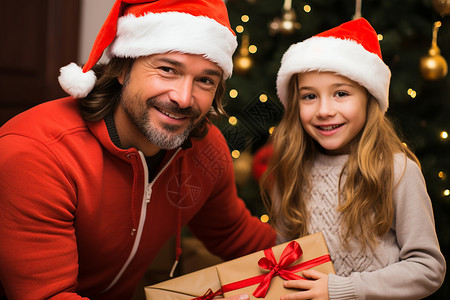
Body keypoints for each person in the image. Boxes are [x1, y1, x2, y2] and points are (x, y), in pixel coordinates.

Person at [0, 1, 276, 299]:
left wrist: (323, 265)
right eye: (168, 69)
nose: (184, 98)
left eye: (205, 80)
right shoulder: (36, 153)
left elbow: (234, 233)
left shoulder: (204, 148)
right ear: (122, 68)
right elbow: (48, 296)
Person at [260, 18, 446, 299]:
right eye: (309, 96)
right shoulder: (292, 170)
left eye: (341, 94)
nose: (324, 110)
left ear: (369, 98)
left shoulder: (396, 170)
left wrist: (342, 289)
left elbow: (427, 268)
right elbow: (288, 266)